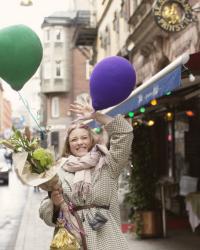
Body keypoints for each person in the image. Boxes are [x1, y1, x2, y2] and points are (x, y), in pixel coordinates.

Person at [39, 102, 133, 250]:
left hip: (106, 239)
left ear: (91, 140)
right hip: (72, 240)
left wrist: (96, 116)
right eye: (74, 140)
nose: (80, 142)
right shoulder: (59, 170)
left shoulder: (108, 163)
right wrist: (55, 203)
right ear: (68, 145)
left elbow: (125, 133)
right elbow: (44, 212)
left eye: (84, 138)